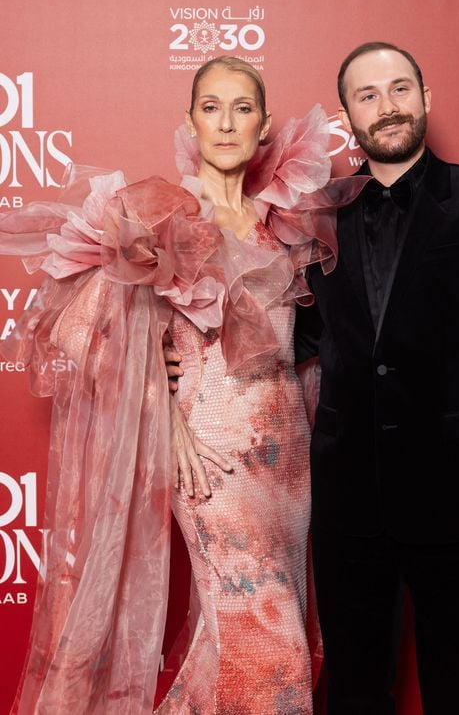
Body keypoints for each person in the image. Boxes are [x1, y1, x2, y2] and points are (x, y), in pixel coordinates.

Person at [0, 56, 364, 714]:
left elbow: (311, 343)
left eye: (242, 108)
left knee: (248, 643)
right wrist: (163, 413)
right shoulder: (161, 215)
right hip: (210, 455)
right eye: (211, 107)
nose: (226, 122)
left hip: (287, 458)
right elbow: (81, 333)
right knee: (268, 641)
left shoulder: (285, 221)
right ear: (190, 123)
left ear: (264, 127)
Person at [294, 42, 459, 714]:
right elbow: (288, 335)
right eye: (369, 95)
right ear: (348, 114)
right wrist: (180, 347)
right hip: (348, 497)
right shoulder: (317, 212)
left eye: (400, 89)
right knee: (353, 692)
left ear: (426, 97)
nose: (388, 107)